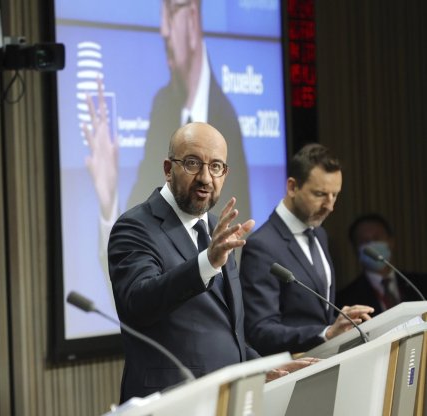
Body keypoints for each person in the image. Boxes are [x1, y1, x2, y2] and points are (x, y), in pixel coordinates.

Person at [108, 122, 310, 402]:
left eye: (216, 166)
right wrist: (207, 263)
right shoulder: (135, 227)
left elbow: (226, 329)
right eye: (193, 163)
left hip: (225, 398)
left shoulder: (217, 228)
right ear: (168, 169)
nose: (205, 177)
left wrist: (261, 366)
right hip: (171, 399)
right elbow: (138, 304)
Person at [86, 0, 250, 225]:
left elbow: (241, 236)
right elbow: (138, 230)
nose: (163, 30)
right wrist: (109, 201)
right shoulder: (162, 106)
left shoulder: (227, 119)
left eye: (171, 13)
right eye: (192, 163)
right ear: (168, 169)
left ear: (192, 18)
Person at [240, 144, 374, 356]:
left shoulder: (319, 234)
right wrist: (325, 333)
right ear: (292, 187)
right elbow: (260, 330)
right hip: (290, 373)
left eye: (335, 195)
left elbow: (319, 313)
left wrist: (338, 325)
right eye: (320, 194)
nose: (330, 206)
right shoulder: (262, 246)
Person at [337, 213, 427, 314]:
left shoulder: (421, 284)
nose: (371, 245)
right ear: (355, 249)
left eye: (376, 238)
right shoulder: (346, 299)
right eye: (364, 241)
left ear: (391, 241)